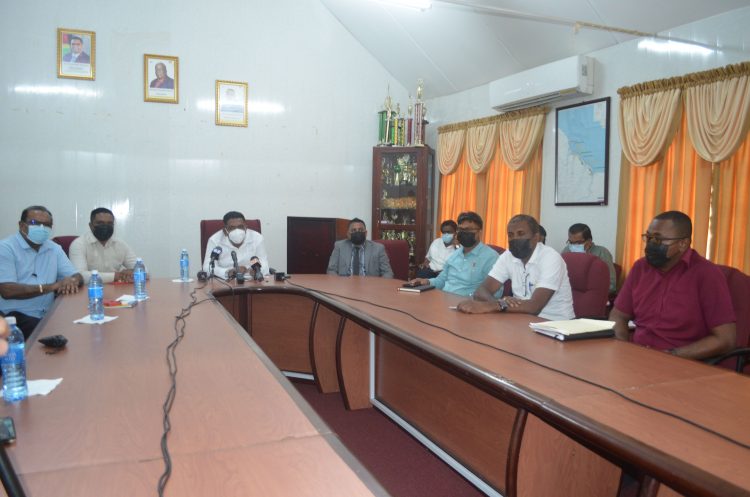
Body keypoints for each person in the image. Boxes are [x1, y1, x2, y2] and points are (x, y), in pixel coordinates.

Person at [610, 211, 736, 360]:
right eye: (648, 237)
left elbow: (725, 339)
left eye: (658, 239)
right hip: (637, 358)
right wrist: (623, 348)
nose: (651, 244)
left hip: (682, 362)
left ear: (683, 243)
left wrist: (670, 356)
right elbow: (618, 315)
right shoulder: (641, 268)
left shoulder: (706, 274)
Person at [457, 214, 574, 320]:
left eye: (521, 234)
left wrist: (496, 306)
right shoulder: (508, 256)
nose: (514, 239)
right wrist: (500, 304)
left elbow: (535, 306)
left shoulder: (551, 258)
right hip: (520, 320)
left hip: (554, 325)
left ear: (535, 237)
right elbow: (481, 291)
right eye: (510, 235)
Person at [0, 206, 82, 339]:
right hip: (14, 317)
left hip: (48, 314)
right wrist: (52, 286)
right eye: (35, 223)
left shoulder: (54, 248)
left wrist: (72, 281)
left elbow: (76, 275)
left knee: (79, 330)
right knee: (57, 339)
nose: (41, 228)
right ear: (21, 225)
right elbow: (7, 291)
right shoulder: (5, 248)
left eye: (47, 225)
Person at [409, 212, 498, 296]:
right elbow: (441, 280)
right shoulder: (455, 255)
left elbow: (496, 293)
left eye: (467, 229)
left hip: (468, 306)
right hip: (443, 301)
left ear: (479, 232)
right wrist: (426, 282)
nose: (463, 233)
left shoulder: (491, 257)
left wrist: (473, 302)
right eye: (460, 229)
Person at [68, 207, 138, 284]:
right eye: (100, 223)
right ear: (91, 226)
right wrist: (116, 276)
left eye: (109, 224)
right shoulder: (79, 244)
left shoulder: (120, 244)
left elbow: (144, 270)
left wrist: (132, 272)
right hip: (89, 292)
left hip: (116, 291)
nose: (105, 226)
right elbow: (79, 276)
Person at [203, 211, 269, 280]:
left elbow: (264, 264)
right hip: (225, 283)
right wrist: (227, 272)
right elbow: (207, 267)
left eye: (240, 227)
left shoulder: (256, 238)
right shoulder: (215, 240)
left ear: (246, 227)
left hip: (252, 281)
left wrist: (256, 271)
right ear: (225, 231)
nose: (237, 231)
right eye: (232, 228)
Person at [327, 218, 393, 278]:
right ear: (348, 234)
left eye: (360, 230)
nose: (357, 232)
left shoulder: (378, 248)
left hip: (369, 287)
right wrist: (338, 285)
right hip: (345, 286)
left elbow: (387, 272)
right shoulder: (339, 246)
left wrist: (378, 287)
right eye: (353, 230)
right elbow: (331, 270)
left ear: (366, 233)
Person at [561, 223, 617, 293]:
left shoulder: (602, 253)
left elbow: (612, 284)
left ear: (589, 241)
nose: (573, 246)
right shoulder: (567, 251)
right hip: (568, 294)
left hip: (593, 294)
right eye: (571, 242)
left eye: (578, 242)